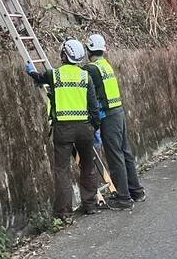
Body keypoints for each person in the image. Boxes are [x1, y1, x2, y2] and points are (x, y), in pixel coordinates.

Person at [25, 39, 101, 219]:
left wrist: (31, 72)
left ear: (64, 56)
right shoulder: (85, 76)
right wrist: (94, 128)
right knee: (88, 167)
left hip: (63, 129)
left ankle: (63, 212)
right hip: (84, 129)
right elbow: (94, 107)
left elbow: (39, 77)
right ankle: (89, 204)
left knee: (62, 170)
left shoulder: (55, 75)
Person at [83, 34, 145, 208]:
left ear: (88, 50)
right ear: (104, 49)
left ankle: (124, 199)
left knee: (115, 156)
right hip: (118, 112)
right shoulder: (105, 65)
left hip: (108, 116)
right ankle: (136, 191)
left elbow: (84, 89)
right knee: (125, 153)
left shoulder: (91, 69)